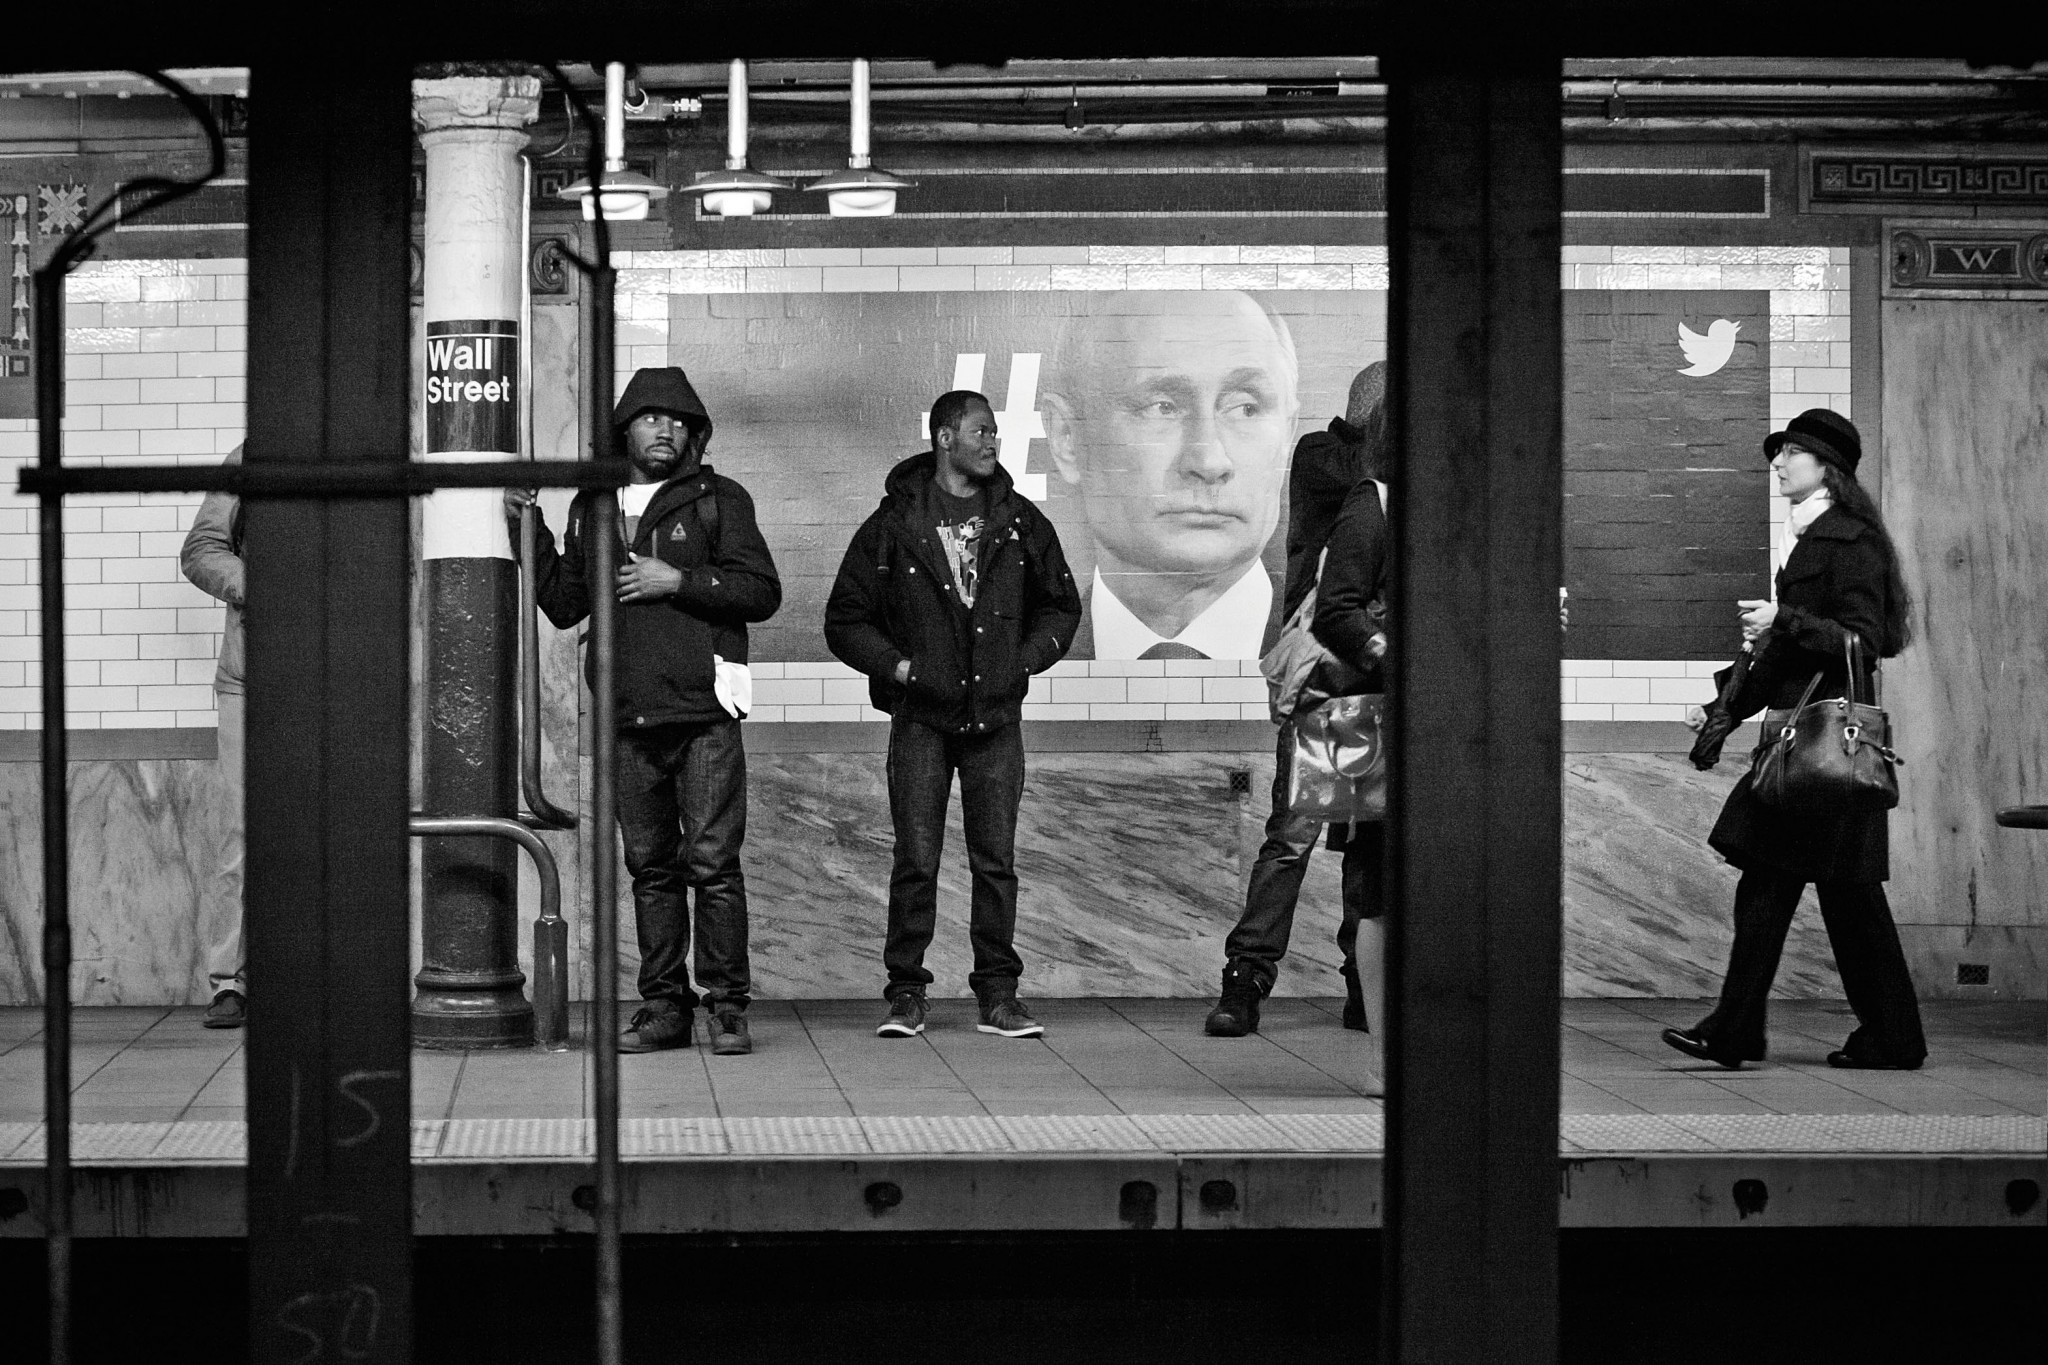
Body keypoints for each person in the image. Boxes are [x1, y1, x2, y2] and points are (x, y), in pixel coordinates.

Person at [512, 367, 781, 1056]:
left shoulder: (719, 499)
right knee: (651, 869)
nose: (667, 430)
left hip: (705, 715)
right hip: (627, 715)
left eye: (680, 421)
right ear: (624, 428)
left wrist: (679, 579)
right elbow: (564, 603)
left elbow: (761, 590)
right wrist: (527, 524)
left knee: (713, 865)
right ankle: (665, 1008)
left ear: (695, 434)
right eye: (652, 418)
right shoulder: (592, 507)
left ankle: (727, 1007)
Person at [1664, 408, 1927, 1071]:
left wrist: (1786, 617)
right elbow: (1784, 657)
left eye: (1790, 453)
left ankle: (1750, 1031)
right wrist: (1719, 708)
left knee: (1817, 892)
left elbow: (1863, 640)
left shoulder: (1850, 541)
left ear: (1827, 467)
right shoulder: (1809, 538)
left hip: (1826, 747)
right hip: (1808, 747)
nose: (1777, 464)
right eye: (1777, 454)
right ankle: (1760, 1031)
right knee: (1811, 890)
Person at [825, 390, 1082, 1039]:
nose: (993, 441)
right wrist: (901, 669)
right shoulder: (895, 522)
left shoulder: (1020, 520)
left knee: (995, 863)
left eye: (994, 432)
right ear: (944, 437)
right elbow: (845, 619)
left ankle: (998, 996)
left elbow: (1062, 606)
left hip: (996, 719)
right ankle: (907, 995)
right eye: (980, 430)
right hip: (920, 720)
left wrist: (1023, 662)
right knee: (915, 860)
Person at [1205, 365, 1388, 1044]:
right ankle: (1246, 978)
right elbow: (1368, 470)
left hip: (1374, 685)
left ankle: (1363, 986)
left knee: (1368, 844)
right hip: (1327, 681)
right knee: (1293, 836)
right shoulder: (1324, 458)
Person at [1041, 290, 1299, 660]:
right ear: (1067, 437)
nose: (1209, 462)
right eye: (1162, 407)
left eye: (1246, 408)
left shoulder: (1367, 659)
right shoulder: (1015, 666)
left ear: (1288, 434)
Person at [180, 446, 248, 1029]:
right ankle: (230, 981)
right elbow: (201, 550)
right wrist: (265, 584)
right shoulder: (251, 458)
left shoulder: (368, 453)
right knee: (241, 834)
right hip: (249, 680)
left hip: (339, 677)